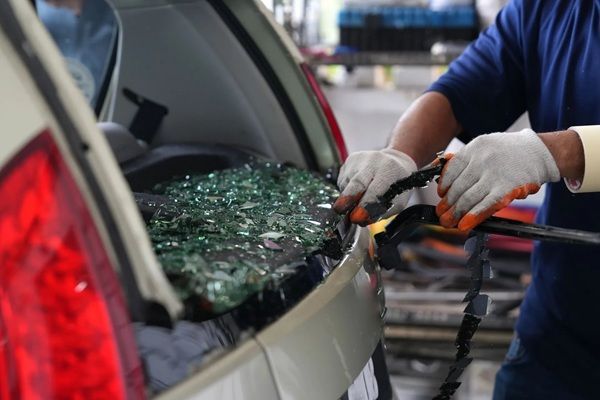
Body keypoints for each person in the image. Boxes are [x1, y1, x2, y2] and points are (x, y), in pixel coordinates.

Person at [333, 1, 600, 399]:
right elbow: (456, 94)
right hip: (559, 334)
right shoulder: (546, 9)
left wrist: (563, 151)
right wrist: (400, 155)